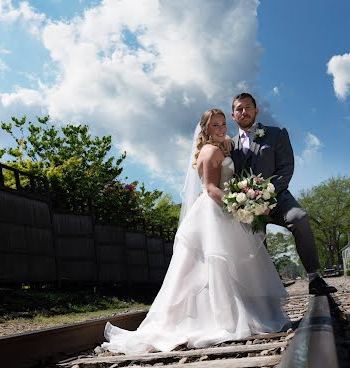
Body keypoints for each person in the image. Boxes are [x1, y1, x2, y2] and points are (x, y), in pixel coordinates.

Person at [102, 108, 289, 355]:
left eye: (224, 124)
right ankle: (222, 318)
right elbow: (211, 188)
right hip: (216, 209)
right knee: (217, 263)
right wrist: (242, 206)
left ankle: (216, 313)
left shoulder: (216, 147)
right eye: (216, 126)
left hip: (217, 208)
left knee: (212, 266)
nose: (222, 129)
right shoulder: (211, 150)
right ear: (206, 130)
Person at [230, 92, 337, 295]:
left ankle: (314, 278)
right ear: (233, 114)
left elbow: (286, 167)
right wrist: (245, 203)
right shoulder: (228, 144)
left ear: (256, 110)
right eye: (239, 109)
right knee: (249, 241)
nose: (244, 112)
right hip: (245, 206)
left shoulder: (276, 134)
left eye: (248, 107)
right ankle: (262, 289)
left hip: (278, 198)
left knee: (300, 218)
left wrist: (264, 195)